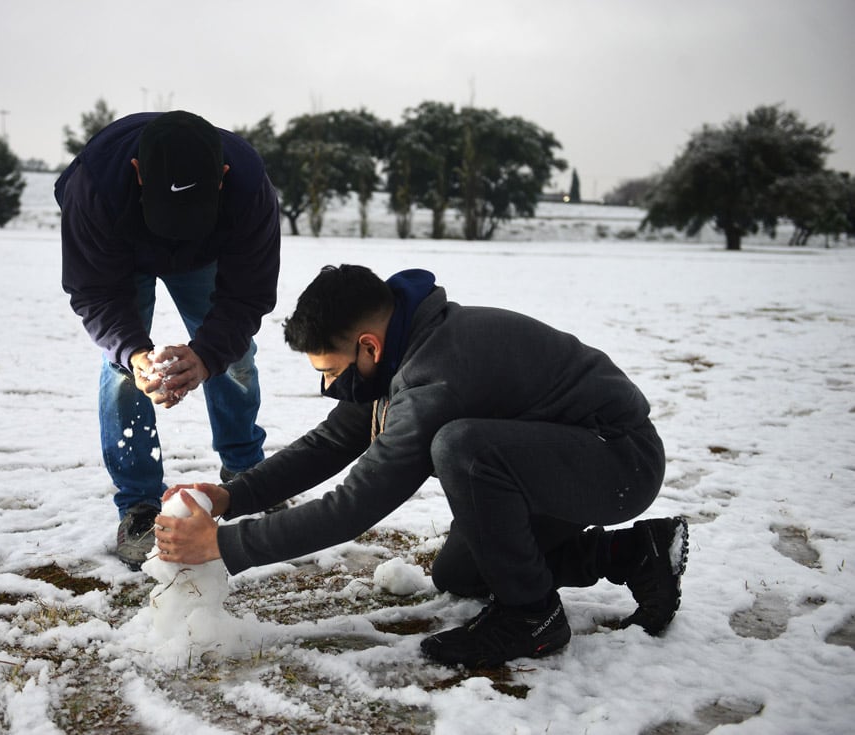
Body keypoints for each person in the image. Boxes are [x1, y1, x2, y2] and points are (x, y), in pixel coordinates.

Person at [152, 264, 688, 669]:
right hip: (563, 460)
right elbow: (331, 442)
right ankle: (633, 554)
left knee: (462, 447)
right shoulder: (406, 346)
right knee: (462, 573)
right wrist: (234, 496)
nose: (327, 386)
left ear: (367, 344)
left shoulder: (435, 377)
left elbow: (355, 504)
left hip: (617, 460)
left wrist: (225, 547)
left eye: (331, 371)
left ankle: (533, 620)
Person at [55, 110, 280, 571]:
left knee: (233, 356)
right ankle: (138, 507)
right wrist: (134, 353)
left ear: (222, 177)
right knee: (123, 372)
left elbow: (248, 294)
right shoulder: (93, 187)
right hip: (121, 252)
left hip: (207, 257)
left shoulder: (250, 186)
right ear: (138, 173)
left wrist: (206, 355)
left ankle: (246, 476)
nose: (176, 223)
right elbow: (95, 292)